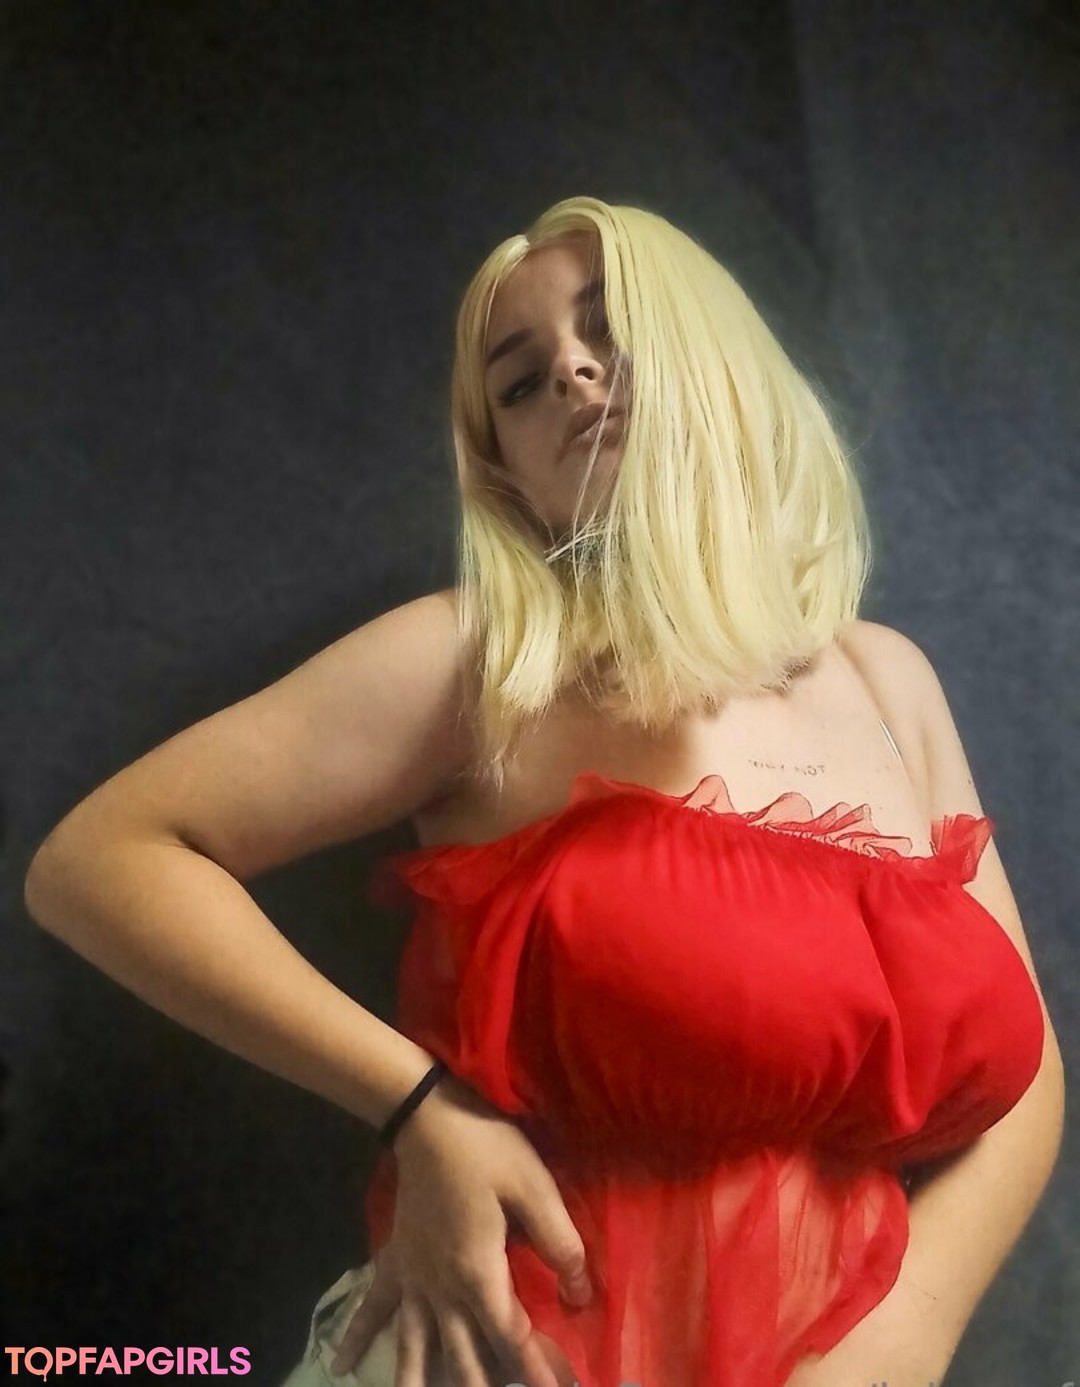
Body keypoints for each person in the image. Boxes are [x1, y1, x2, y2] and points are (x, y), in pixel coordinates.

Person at [23, 197, 1063, 1387]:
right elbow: (98, 860)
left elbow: (1026, 1082)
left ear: (719, 359)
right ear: (509, 477)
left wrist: (907, 1330)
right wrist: (420, 1107)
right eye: (519, 384)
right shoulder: (487, 663)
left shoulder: (887, 681)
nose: (570, 370)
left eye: (610, 328)